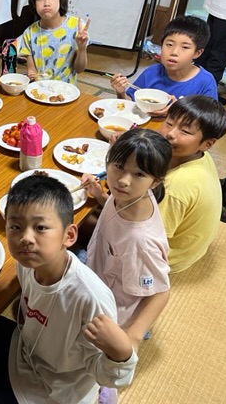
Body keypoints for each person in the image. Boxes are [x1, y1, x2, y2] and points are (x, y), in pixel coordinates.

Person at [0, 175, 137, 404]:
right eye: (16, 227)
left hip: (56, 390)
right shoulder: (27, 263)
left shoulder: (90, 298)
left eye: (40, 227)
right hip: (26, 350)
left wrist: (122, 353)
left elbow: (110, 375)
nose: (25, 238)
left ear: (69, 235)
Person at [81, 129, 172, 353]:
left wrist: (133, 337)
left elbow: (161, 291)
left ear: (155, 182)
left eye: (139, 174)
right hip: (99, 267)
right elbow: (114, 209)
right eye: (119, 166)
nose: (123, 180)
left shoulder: (140, 241)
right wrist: (100, 195)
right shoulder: (129, 195)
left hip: (112, 308)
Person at [155, 95, 226, 273]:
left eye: (185, 131)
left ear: (207, 144)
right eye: (169, 123)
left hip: (166, 258)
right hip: (188, 248)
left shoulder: (177, 185)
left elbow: (147, 237)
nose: (170, 133)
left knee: (93, 221)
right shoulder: (200, 155)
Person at [110, 15, 218, 117]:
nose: (174, 52)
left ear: (197, 53)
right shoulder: (151, 73)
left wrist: (175, 111)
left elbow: (209, 119)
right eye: (169, 45)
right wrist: (121, 93)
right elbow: (131, 103)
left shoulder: (205, 82)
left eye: (185, 47)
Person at [16, 0, 90, 84]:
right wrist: (31, 74)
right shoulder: (29, 33)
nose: (46, 3)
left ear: (61, 0)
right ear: (34, 4)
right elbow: (32, 70)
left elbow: (79, 69)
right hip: (39, 89)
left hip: (66, 90)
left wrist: (82, 48)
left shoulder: (76, 27)